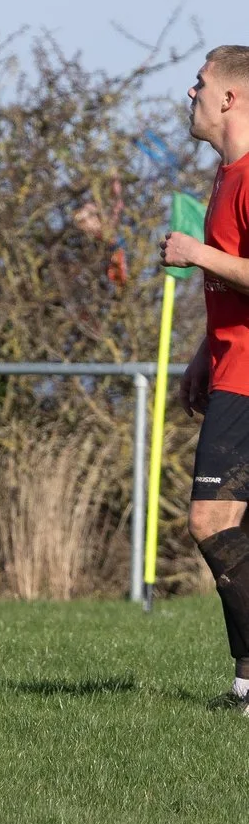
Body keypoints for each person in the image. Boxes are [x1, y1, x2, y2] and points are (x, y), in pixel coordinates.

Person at [158, 44, 249, 707]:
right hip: (231, 369)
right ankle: (247, 685)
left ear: (229, 98)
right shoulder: (226, 175)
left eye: (199, 84)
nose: (189, 95)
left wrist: (196, 254)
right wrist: (202, 352)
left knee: (212, 521)